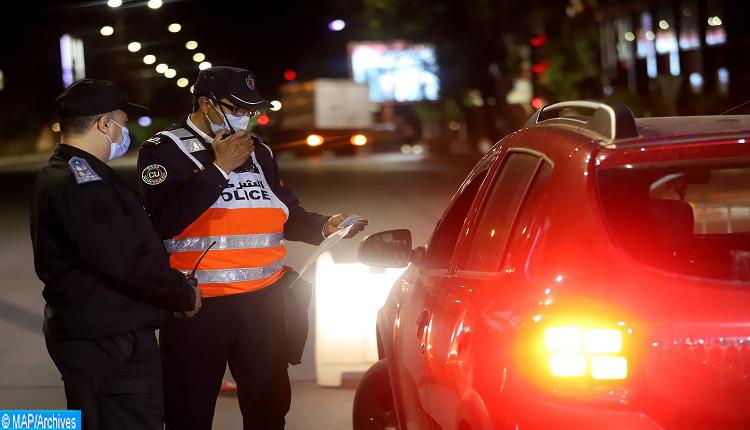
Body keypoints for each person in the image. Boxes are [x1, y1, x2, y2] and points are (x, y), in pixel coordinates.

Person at [137, 66, 367, 429]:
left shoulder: (259, 150)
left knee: (269, 411)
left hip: (263, 303)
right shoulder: (164, 151)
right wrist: (220, 169)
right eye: (238, 108)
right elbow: (164, 221)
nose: (246, 117)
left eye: (251, 110)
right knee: (187, 413)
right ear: (206, 104)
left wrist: (325, 225)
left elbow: (285, 212)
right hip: (197, 306)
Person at [29, 79, 203, 430]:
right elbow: (127, 261)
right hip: (110, 342)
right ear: (104, 124)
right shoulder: (84, 184)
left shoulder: (65, 172)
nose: (125, 131)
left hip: (92, 334)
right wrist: (182, 294)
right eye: (123, 123)